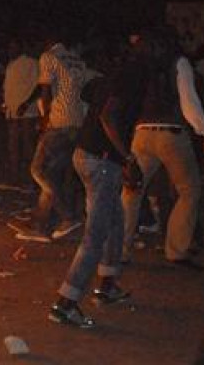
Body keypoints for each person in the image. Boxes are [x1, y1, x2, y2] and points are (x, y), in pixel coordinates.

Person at [47, 33, 154, 329]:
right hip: (101, 161)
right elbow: (108, 116)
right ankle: (65, 303)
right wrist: (128, 160)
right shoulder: (133, 78)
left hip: (89, 155)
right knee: (95, 235)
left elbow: (90, 97)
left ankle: (107, 285)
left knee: (116, 223)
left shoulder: (112, 77)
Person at [120, 29, 204, 272]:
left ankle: (119, 249)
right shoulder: (178, 63)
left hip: (141, 133)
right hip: (171, 133)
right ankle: (176, 250)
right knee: (189, 190)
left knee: (132, 192)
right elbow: (190, 106)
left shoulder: (139, 66)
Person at [13, 31, 87, 243]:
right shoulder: (77, 60)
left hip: (59, 121)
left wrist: (44, 119)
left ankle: (68, 216)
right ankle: (40, 224)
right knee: (52, 174)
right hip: (76, 121)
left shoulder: (49, 57)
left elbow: (45, 91)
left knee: (38, 169)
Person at [3, 38, 40, 186]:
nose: (10, 50)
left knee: (28, 145)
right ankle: (15, 177)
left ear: (21, 48)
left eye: (13, 47)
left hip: (27, 112)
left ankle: (34, 177)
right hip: (12, 111)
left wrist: (26, 104)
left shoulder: (31, 63)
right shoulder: (11, 64)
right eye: (9, 47)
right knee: (13, 145)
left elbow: (39, 86)